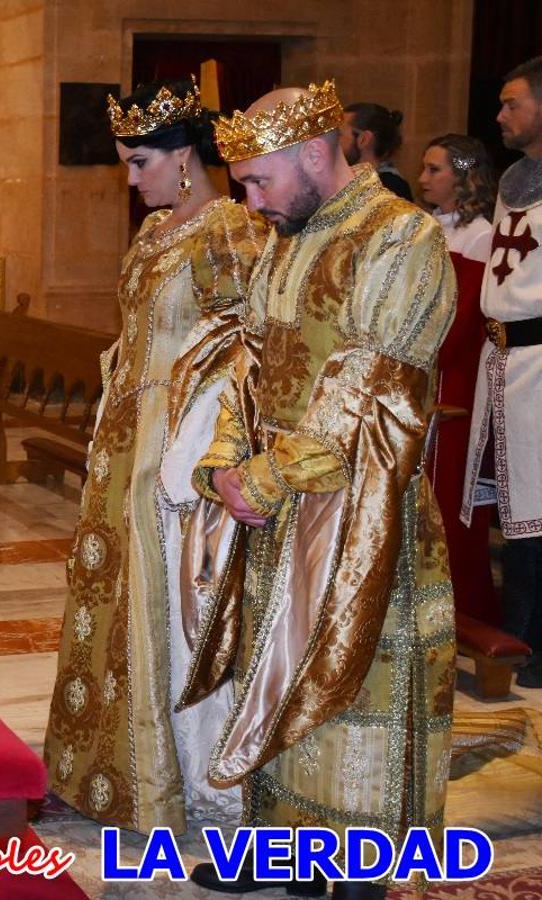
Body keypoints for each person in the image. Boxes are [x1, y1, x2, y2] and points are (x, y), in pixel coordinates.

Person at [184, 82, 455, 900]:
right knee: (280, 677)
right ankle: (290, 865)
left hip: (365, 516)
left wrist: (264, 478)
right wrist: (224, 461)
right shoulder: (286, 234)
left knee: (352, 687)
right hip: (276, 508)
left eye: (259, 181)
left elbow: (370, 385)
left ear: (312, 153)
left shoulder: (402, 238)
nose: (252, 202)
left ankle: (362, 882)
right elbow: (251, 366)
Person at [43, 79, 266, 836]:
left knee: (171, 612)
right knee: (109, 599)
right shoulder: (154, 233)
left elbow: (245, 355)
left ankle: (174, 779)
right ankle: (99, 770)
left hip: (178, 451)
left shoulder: (228, 231)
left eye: (139, 163)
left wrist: (195, 455)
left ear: (183, 159)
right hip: (123, 440)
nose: (130, 179)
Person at [462, 56, 542, 688]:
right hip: (501, 360)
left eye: (512, 102)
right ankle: (516, 635)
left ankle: (534, 644)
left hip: (539, 364)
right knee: (513, 512)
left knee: (536, 513)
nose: (500, 115)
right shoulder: (515, 177)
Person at [419, 134, 499, 624]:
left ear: (464, 176)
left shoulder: (481, 236)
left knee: (449, 496)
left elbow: (464, 318)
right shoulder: (426, 227)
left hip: (455, 379)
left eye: (434, 170)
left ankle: (462, 612)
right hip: (420, 373)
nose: (423, 178)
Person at [340, 101, 414, 200]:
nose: (332, 144)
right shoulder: (346, 180)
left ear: (364, 139)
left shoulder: (391, 187)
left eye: (338, 135)